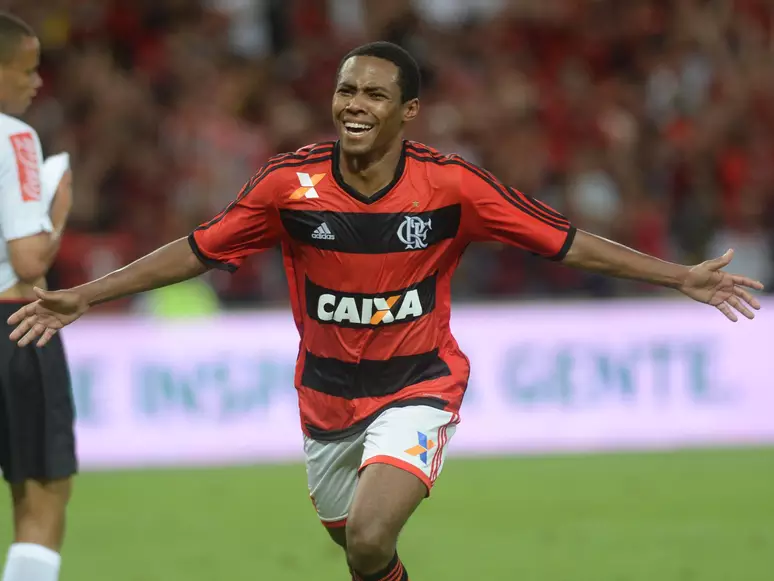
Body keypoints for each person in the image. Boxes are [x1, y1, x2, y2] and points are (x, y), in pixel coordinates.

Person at [7, 41, 763, 581]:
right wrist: (85, 295)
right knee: (362, 556)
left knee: (370, 534)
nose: (353, 105)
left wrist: (678, 278)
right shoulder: (288, 186)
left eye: (372, 94)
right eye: (345, 90)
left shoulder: (452, 186)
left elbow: (563, 242)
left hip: (419, 384)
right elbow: (198, 249)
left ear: (409, 111)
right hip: (326, 401)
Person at [0, 12, 75, 581]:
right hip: (16, 324)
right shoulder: (15, 137)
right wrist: (59, 207)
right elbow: (28, 259)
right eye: (26, 69)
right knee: (41, 501)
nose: (37, 81)